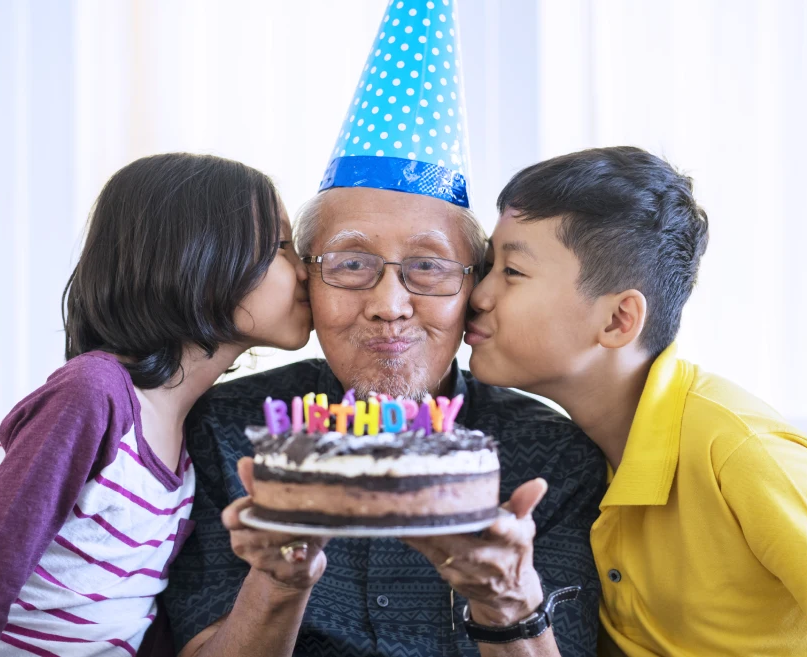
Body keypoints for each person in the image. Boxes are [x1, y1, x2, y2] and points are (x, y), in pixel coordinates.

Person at [162, 2, 607, 656]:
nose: (389, 304)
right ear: (306, 280)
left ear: (472, 288)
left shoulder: (551, 457)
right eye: (351, 264)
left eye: (427, 268)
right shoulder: (232, 429)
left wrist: (505, 597)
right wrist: (279, 579)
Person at [0, 153, 313, 656]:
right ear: (200, 258)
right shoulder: (92, 395)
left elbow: (131, 617)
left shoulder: (192, 437)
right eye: (283, 247)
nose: (305, 272)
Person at [464, 145, 807, 656]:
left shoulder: (741, 451)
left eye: (512, 272)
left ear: (617, 321)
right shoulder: (576, 460)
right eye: (486, 266)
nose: (477, 296)